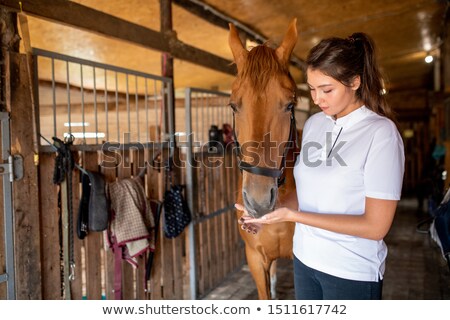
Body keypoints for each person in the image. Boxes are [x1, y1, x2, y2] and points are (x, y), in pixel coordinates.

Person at [236, 32, 405, 300]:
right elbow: (306, 192)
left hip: (350, 270)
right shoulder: (315, 125)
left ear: (354, 82)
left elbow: (376, 227)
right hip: (305, 262)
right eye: (312, 89)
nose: (317, 99)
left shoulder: (380, 133)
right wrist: (271, 213)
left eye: (326, 90)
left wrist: (293, 217)